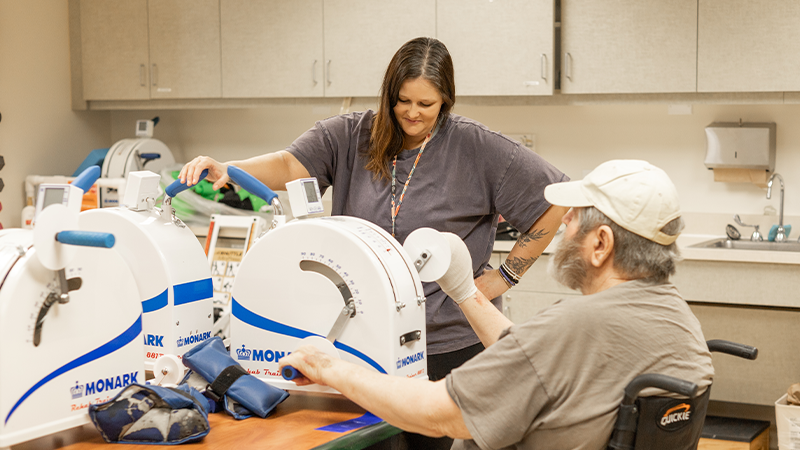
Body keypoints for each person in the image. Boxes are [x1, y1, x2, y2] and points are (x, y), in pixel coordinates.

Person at [179, 37, 568, 445]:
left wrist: (505, 276)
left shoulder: (477, 147)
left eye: (426, 104)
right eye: (403, 101)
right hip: (364, 343)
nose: (413, 113)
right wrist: (229, 169)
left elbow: (555, 200)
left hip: (448, 345)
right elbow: (289, 164)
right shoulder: (349, 135)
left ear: (446, 100)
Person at [278, 159, 715, 449]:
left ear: (601, 244)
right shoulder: (677, 318)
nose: (563, 222)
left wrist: (329, 366)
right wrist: (465, 292)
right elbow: (536, 363)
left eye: (574, 215)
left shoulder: (578, 324)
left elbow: (437, 414)